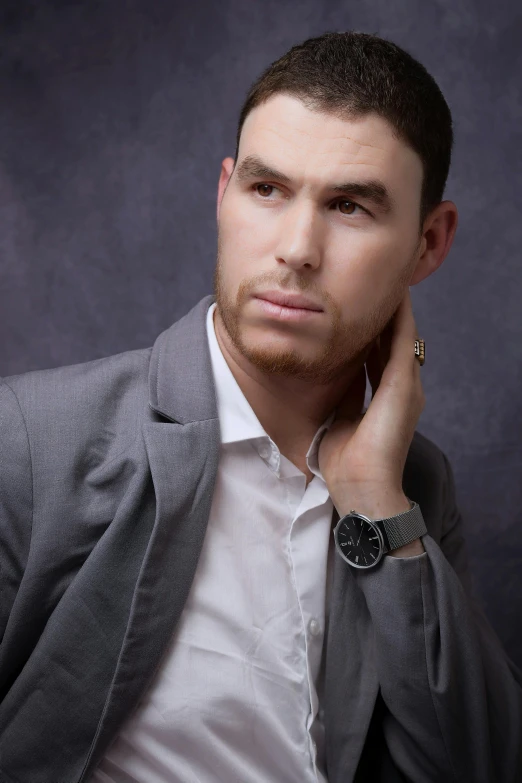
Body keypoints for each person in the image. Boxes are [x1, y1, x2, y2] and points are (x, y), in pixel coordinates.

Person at [0, 29, 520, 783]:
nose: (297, 248)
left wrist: (376, 499)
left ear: (428, 243)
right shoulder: (29, 440)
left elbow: (479, 763)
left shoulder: (414, 483)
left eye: (349, 206)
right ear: (224, 193)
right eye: (267, 189)